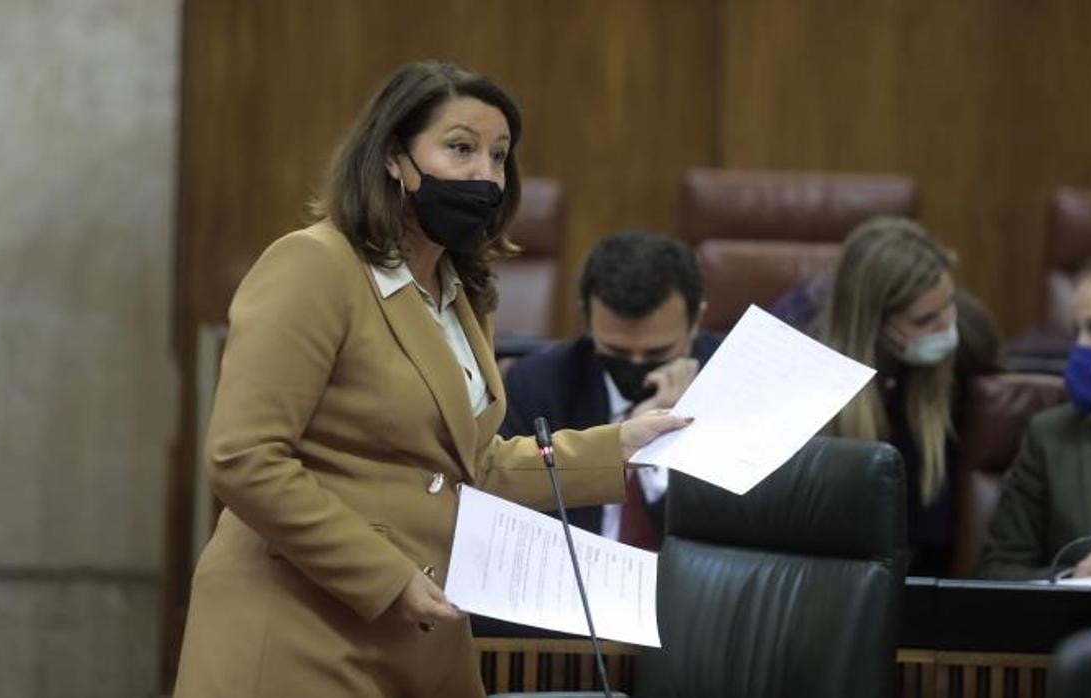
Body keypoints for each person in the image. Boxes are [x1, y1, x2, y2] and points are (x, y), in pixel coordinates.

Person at [171, 61, 689, 698]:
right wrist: (384, 577)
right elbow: (244, 457)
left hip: (420, 635)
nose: (486, 176)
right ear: (395, 158)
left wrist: (621, 448)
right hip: (300, 627)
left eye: (499, 156)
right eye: (461, 148)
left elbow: (472, 464)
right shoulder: (315, 266)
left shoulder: (461, 292)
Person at [500, 231, 720, 550]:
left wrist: (660, 452)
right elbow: (511, 513)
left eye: (658, 352)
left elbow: (725, 536)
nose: (636, 363)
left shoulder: (728, 386)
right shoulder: (539, 384)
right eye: (617, 351)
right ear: (586, 321)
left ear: (696, 320)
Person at [814, 216, 1001, 576]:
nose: (947, 325)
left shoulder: (972, 337)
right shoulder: (815, 370)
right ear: (873, 323)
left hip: (932, 566)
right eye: (925, 320)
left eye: (950, 303)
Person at [978, 248, 1091, 580]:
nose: (1080, 349)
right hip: (1076, 630)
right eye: (1076, 332)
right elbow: (995, 571)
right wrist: (1069, 579)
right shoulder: (1053, 436)